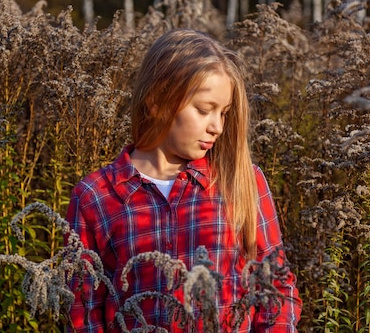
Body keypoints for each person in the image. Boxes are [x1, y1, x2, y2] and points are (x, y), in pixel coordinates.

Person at [65, 29, 302, 333]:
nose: (217, 126)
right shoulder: (96, 197)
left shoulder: (240, 181)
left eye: (224, 113)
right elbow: (83, 312)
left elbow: (277, 290)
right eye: (204, 110)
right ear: (157, 100)